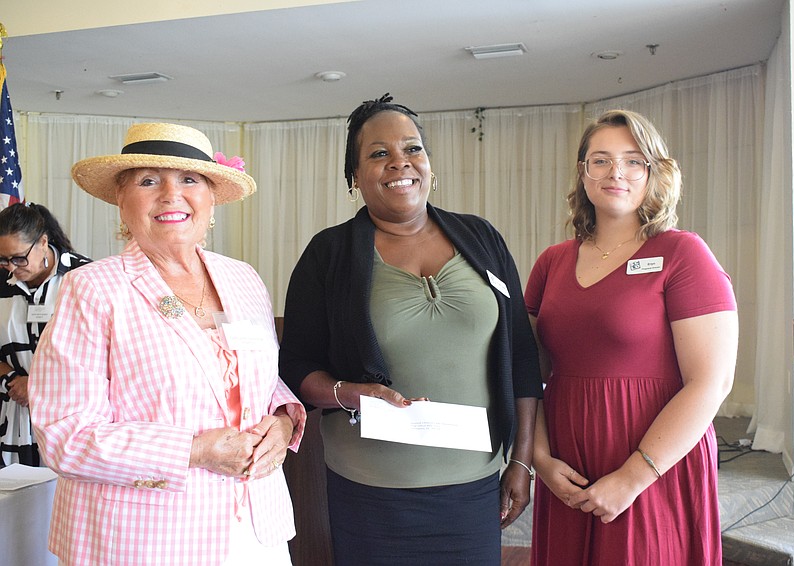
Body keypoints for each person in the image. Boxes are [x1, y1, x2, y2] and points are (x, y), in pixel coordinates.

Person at [280, 94, 543, 565]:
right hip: (371, 493)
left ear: (429, 164)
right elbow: (296, 367)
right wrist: (350, 393)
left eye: (412, 148)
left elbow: (521, 357)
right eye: (379, 153)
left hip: (473, 486)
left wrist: (521, 462)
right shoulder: (329, 254)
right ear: (354, 176)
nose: (399, 162)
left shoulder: (482, 238)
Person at [28, 123, 306, 565]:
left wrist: (283, 421)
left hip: (255, 531)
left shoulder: (243, 279)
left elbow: (255, 379)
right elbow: (65, 433)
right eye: (148, 181)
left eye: (189, 179)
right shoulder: (92, 289)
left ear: (211, 198)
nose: (171, 195)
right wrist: (195, 451)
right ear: (121, 200)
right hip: (145, 541)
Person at [526, 109, 738, 565]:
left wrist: (632, 478)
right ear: (583, 173)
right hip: (566, 469)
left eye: (632, 160)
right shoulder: (551, 262)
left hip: (654, 467)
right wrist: (540, 458)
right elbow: (527, 375)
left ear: (653, 171)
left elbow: (712, 382)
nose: (615, 172)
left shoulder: (683, 253)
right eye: (600, 160)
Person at [0, 203, 90, 467]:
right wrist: (13, 379)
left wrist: (38, 387)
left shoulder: (83, 277)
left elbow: (103, 356)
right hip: (13, 413)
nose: (11, 268)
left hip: (70, 415)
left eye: (19, 258)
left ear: (42, 242)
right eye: (3, 259)